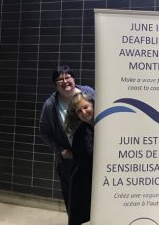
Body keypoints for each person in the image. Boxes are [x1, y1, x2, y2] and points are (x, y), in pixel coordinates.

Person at [39, 65, 95, 212]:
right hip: (70, 161)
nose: (65, 81)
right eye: (60, 79)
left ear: (73, 78)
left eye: (67, 77)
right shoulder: (50, 105)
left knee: (94, 198)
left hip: (93, 158)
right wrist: (61, 149)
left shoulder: (89, 92)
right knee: (74, 200)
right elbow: (44, 132)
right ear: (55, 84)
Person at [65, 92, 95, 225]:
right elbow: (81, 160)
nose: (84, 112)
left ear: (93, 105)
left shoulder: (110, 125)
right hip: (87, 181)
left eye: (86, 107)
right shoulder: (80, 133)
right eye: (79, 111)